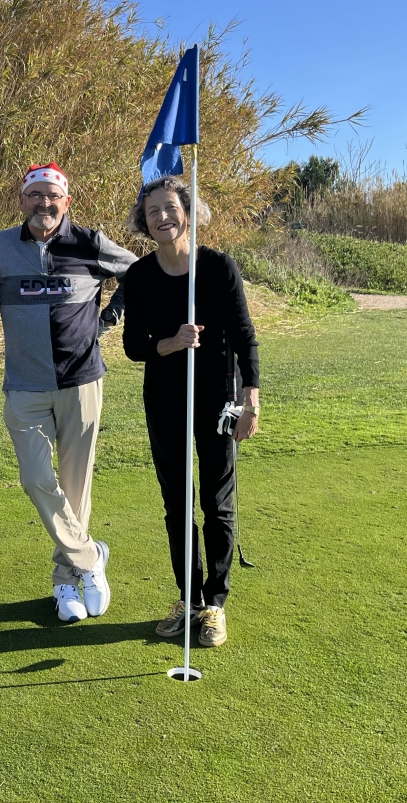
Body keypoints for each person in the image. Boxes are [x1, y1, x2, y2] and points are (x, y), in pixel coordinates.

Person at [0, 162, 136, 623]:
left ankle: (65, 580)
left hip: (82, 381)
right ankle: (90, 558)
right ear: (22, 201)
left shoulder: (89, 243)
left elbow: (138, 273)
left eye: (53, 196)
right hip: (25, 383)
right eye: (35, 195)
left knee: (76, 488)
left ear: (66, 202)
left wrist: (110, 317)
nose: (44, 203)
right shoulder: (0, 246)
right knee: (37, 479)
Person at [120, 175, 260, 649]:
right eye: (152, 211)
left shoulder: (217, 267)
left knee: (217, 503)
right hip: (164, 401)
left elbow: (244, 336)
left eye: (170, 207)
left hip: (218, 399)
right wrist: (172, 342)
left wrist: (252, 401)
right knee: (177, 504)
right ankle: (190, 598)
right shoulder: (139, 276)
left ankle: (216, 602)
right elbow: (133, 346)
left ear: (188, 212)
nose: (162, 217)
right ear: (144, 221)